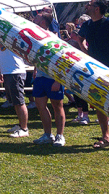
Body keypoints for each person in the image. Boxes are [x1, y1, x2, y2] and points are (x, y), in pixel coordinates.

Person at [76, 0, 109, 149]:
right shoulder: (87, 25)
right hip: (95, 69)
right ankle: (106, 137)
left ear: (96, 8)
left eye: (89, 4)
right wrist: (86, 52)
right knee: (100, 103)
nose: (86, 6)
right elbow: (79, 38)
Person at [31, 13, 66, 146]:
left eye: (38, 17)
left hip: (53, 78)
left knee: (57, 106)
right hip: (40, 77)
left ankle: (60, 136)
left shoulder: (53, 37)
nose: (34, 18)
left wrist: (58, 80)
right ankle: (47, 135)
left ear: (43, 22)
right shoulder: (36, 36)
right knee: (41, 106)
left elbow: (61, 59)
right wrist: (35, 69)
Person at [0, 43, 30, 138]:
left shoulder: (8, 37)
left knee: (19, 102)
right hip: (8, 72)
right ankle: (20, 125)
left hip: (15, 72)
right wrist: (1, 72)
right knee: (15, 102)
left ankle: (24, 129)